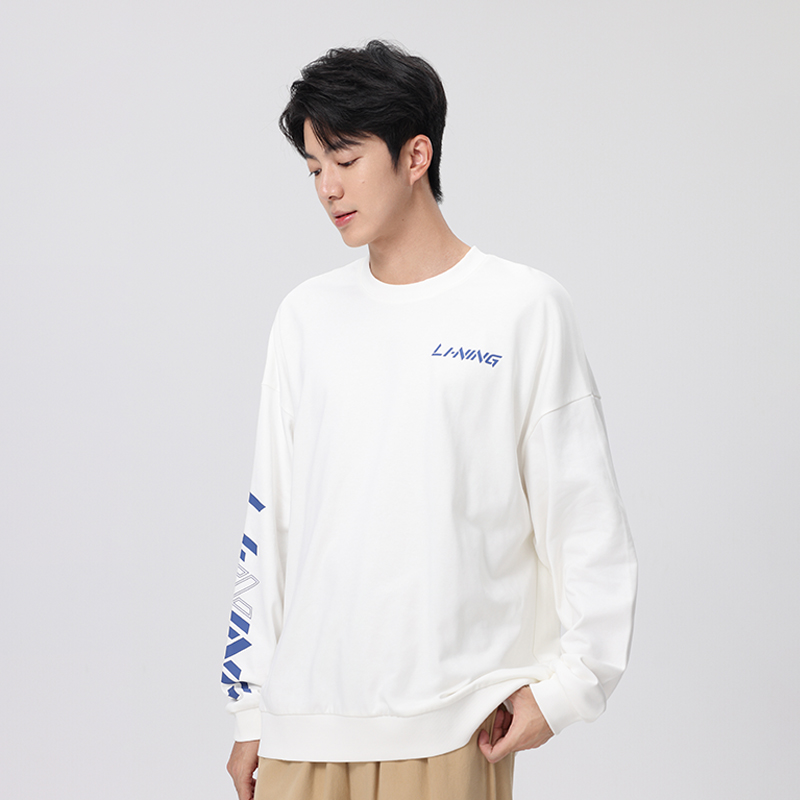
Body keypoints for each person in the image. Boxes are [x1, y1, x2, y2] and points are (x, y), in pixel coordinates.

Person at [222, 40, 637, 800]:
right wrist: (249, 706)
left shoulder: (522, 309)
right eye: (313, 168)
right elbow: (268, 517)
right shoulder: (306, 317)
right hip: (302, 725)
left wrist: (569, 689)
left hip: (452, 725)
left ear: (416, 155)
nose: (327, 188)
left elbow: (584, 519)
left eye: (345, 159)